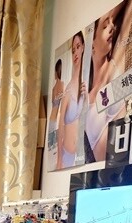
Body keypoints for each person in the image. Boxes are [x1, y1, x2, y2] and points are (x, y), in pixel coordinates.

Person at [85, 0, 132, 162]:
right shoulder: (85, 95)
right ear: (91, 45)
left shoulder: (115, 65)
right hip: (100, 174)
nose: (111, 28)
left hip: (126, 168)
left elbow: (129, 9)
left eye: (112, 24)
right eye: (104, 26)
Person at [56, 33, 84, 169]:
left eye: (78, 47)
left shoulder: (84, 85)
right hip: (66, 156)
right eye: (73, 50)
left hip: (79, 157)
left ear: (83, 47)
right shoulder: (67, 90)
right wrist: (59, 159)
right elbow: (60, 126)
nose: (75, 53)